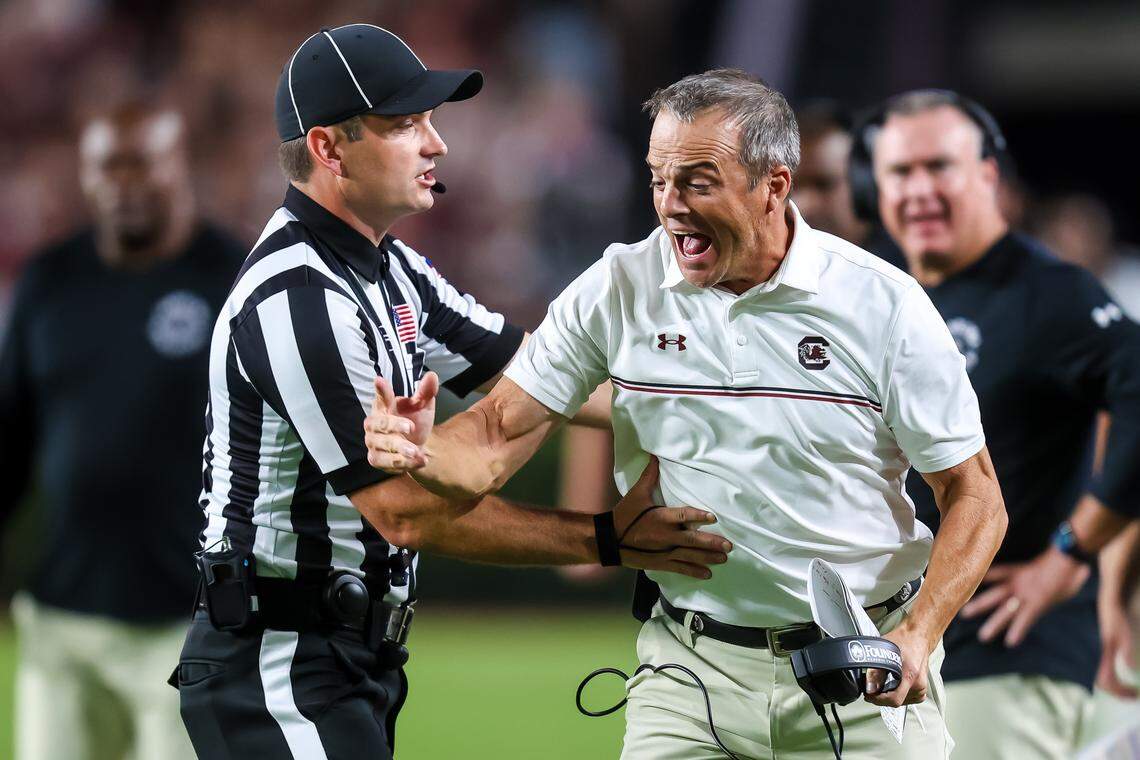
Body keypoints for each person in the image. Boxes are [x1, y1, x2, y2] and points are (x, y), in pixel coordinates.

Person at [365, 68, 1008, 759]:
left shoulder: (883, 304)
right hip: (690, 673)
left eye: (698, 181)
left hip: (859, 666)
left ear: (775, 185)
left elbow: (975, 494)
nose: (670, 205)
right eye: (657, 179)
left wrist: (919, 635)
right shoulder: (617, 288)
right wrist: (420, 448)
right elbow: (493, 438)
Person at [174, 25, 729, 760]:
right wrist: (600, 538)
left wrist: (718, 405)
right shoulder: (298, 299)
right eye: (406, 125)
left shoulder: (392, 268)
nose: (436, 144)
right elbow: (402, 512)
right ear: (328, 149)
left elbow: (547, 373)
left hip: (343, 656)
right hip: (277, 659)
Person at [867, 89, 1140, 760]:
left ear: (989, 176)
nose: (920, 189)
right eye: (901, 172)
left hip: (1012, 653)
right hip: (916, 645)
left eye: (940, 167)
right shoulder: (889, 296)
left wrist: (1071, 553)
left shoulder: (1046, 293)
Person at [0, 103, 245, 760]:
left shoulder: (236, 280)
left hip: (191, 626)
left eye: (144, 162)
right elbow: (9, 445)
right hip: (62, 619)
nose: (126, 182)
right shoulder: (50, 281)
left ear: (179, 164)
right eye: (110, 165)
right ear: (85, 174)